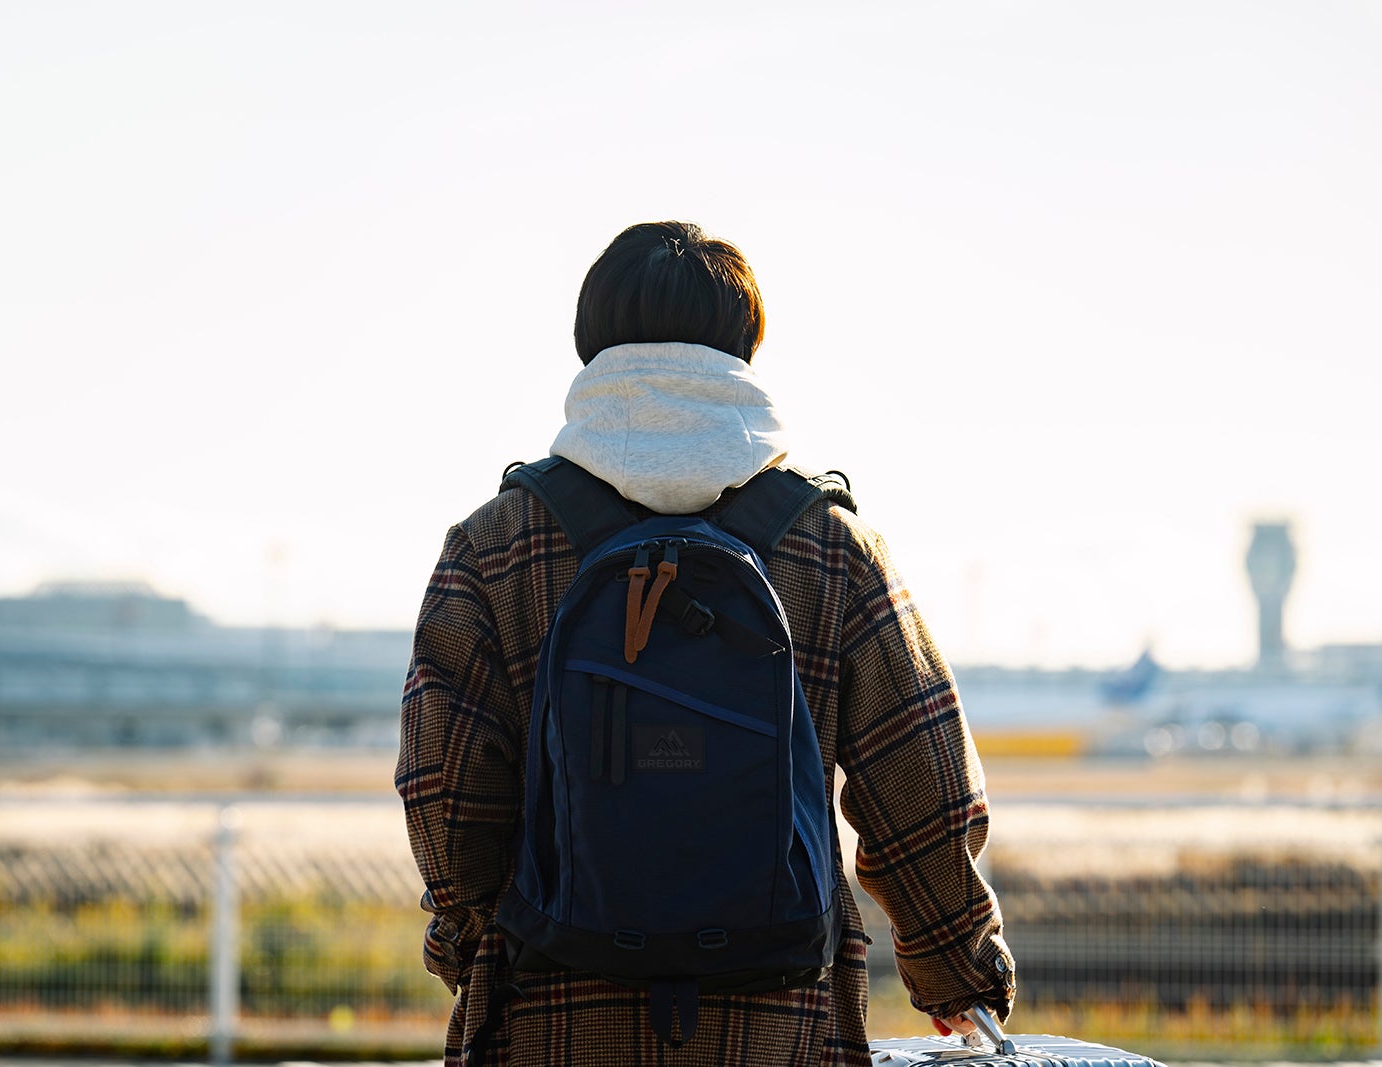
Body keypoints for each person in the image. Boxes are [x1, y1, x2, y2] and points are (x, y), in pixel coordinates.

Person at [396, 220, 1015, 1066]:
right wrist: (958, 970)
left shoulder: (496, 545)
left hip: (548, 1016)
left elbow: (445, 786)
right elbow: (923, 785)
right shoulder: (833, 547)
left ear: (590, 345)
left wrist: (471, 944)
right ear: (744, 347)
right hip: (781, 1023)